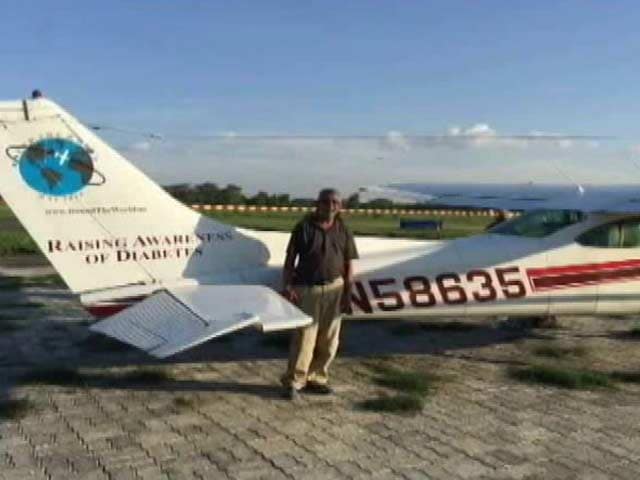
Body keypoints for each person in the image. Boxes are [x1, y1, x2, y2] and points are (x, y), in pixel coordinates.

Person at [280, 188, 358, 400]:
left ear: (339, 206)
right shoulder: (303, 228)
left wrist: (348, 292)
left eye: (335, 202)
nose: (330, 206)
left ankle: (317, 378)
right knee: (304, 337)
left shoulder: (343, 230)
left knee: (329, 340)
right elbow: (290, 261)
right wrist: (287, 286)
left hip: (335, 288)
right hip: (307, 288)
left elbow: (348, 263)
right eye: (326, 201)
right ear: (318, 204)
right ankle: (294, 381)